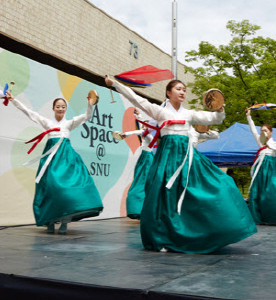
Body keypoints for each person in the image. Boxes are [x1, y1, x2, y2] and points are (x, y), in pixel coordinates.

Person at [105, 76, 257, 253]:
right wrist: (115, 84)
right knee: (164, 195)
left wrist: (220, 108)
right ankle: (162, 238)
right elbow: (136, 98)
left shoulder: (189, 114)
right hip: (168, 156)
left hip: (187, 156)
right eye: (178, 89)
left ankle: (202, 229)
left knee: (220, 183)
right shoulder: (159, 112)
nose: (182, 92)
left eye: (184, 89)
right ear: (168, 93)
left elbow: (215, 119)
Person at [6, 91, 103, 234]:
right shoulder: (48, 123)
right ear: (53, 109)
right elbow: (30, 113)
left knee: (67, 189)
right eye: (58, 106)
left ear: (65, 109)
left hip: (66, 158)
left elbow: (87, 116)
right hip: (51, 159)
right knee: (50, 188)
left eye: (63, 106)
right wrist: (14, 100)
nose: (60, 108)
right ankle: (50, 221)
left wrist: (90, 104)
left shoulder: (69, 123)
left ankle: (64, 222)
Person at [117, 108, 158, 219]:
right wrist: (138, 117)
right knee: (143, 184)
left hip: (147, 160)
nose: (145, 127)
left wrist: (125, 134)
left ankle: (143, 208)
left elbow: (141, 130)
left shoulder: (148, 134)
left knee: (143, 184)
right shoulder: (146, 133)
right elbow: (141, 129)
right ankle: (142, 208)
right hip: (146, 159)